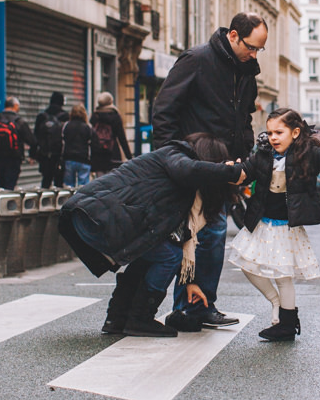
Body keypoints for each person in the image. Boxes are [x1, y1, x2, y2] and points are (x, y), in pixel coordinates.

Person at [58, 133, 246, 337]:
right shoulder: (174, 153)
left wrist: (191, 282)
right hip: (96, 214)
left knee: (150, 255)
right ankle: (140, 318)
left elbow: (182, 236)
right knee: (169, 256)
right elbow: (189, 170)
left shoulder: (183, 182)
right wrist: (230, 171)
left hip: (97, 215)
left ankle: (117, 318)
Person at [150, 12, 267, 331]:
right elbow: (164, 111)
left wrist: (244, 160)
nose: (254, 54)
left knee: (210, 236)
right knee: (198, 235)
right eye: (251, 47)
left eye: (259, 50)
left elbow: (243, 119)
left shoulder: (246, 72)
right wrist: (169, 157)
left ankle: (197, 305)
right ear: (233, 35)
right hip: (191, 162)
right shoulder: (197, 60)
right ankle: (187, 307)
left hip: (224, 167)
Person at [230, 108, 320, 342]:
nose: (273, 137)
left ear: (296, 132)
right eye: (269, 133)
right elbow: (246, 172)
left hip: (285, 226)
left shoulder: (308, 155)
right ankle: (276, 303)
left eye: (279, 132)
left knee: (283, 277)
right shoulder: (263, 154)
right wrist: (232, 170)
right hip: (260, 222)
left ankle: (287, 325)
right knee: (247, 265)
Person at [89, 92, 131, 176]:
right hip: (112, 153)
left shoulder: (94, 116)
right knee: (111, 182)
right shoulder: (115, 116)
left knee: (99, 182)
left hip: (98, 154)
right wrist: (129, 156)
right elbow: (121, 137)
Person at [61, 104, 102, 187]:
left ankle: (69, 199)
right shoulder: (88, 127)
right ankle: (82, 200)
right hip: (84, 159)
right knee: (83, 186)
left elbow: (62, 142)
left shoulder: (66, 126)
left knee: (69, 185)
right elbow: (95, 145)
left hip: (69, 158)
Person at [34, 92, 69, 187]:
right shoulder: (65, 117)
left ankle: (43, 200)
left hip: (44, 154)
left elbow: (36, 136)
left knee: (46, 179)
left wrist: (33, 154)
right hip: (59, 154)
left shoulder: (41, 117)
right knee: (59, 181)